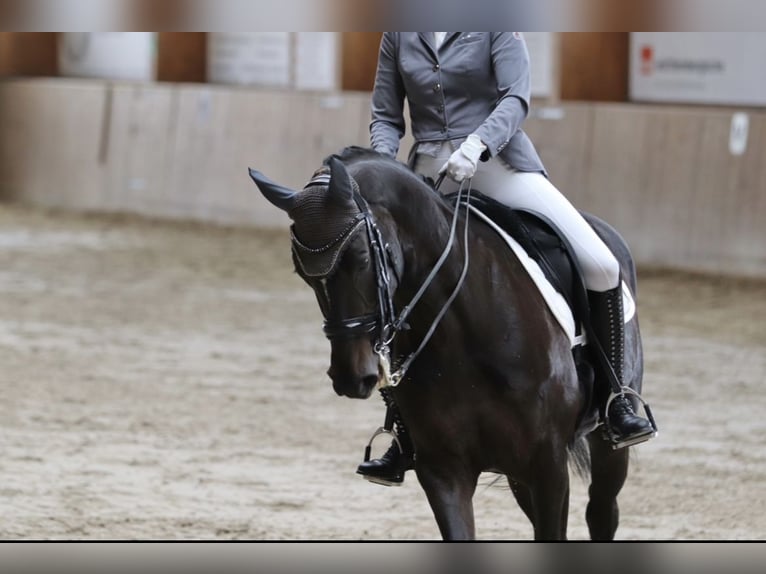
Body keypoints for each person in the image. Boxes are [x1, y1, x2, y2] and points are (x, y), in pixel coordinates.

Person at [357, 32, 655, 486]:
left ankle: (618, 398)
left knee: (601, 264)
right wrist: (384, 171)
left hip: (496, 164)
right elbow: (385, 113)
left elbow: (515, 98)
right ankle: (401, 429)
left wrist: (476, 146)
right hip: (426, 176)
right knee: (388, 282)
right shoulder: (398, 31)